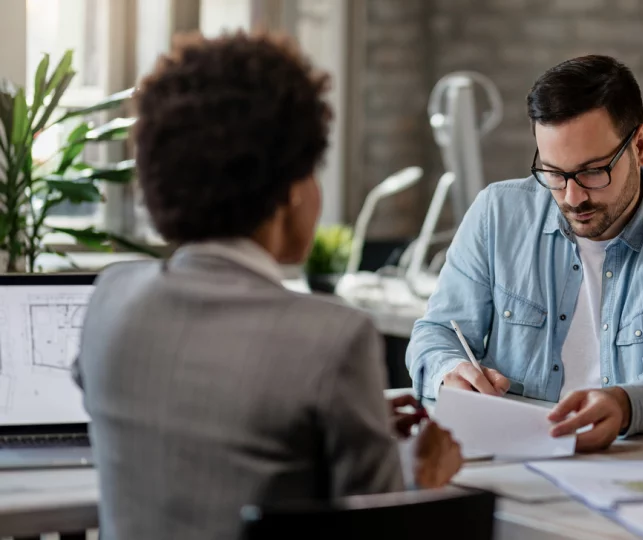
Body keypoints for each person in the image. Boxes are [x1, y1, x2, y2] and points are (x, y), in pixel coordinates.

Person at [71, 32, 462, 540]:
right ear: (289, 192)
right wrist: (425, 482)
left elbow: (190, 409)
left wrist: (344, 418)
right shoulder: (332, 338)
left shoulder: (110, 296)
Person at [406, 55, 643, 452]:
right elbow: (436, 331)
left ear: (641, 146)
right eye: (554, 173)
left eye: (593, 171)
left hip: (628, 461)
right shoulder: (498, 212)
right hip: (510, 454)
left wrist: (623, 405)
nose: (573, 197)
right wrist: (450, 372)